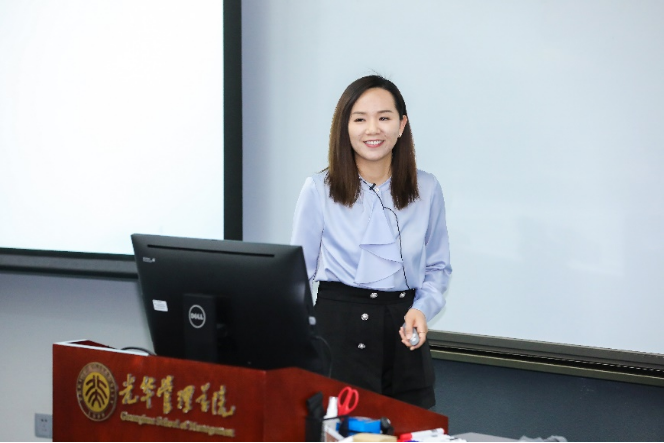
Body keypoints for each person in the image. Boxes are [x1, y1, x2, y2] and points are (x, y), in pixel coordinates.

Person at [291, 75, 452, 409]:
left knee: (408, 427)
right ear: (345, 127)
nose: (373, 129)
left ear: (401, 125)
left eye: (384, 117)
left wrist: (422, 309)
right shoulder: (318, 189)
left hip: (404, 330)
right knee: (341, 429)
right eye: (360, 119)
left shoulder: (427, 188)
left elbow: (438, 267)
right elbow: (298, 276)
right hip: (337, 330)